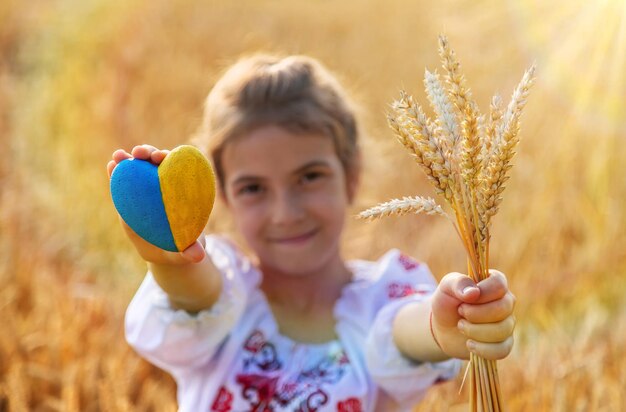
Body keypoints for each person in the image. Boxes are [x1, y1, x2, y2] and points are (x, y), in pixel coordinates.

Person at [106, 55, 516, 412]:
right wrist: (169, 257)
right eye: (253, 188)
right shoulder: (227, 297)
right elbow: (195, 293)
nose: (285, 213)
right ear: (224, 197)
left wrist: (439, 327)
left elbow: (400, 332)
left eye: (309, 177)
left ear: (351, 176)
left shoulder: (383, 297)